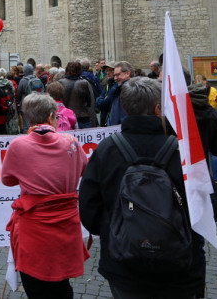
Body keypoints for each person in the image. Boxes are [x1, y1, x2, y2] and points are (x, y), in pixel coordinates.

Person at [79, 77, 206, 298]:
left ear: (126, 107)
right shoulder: (182, 149)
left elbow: (89, 207)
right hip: (177, 262)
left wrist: (114, 229)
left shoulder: (107, 149)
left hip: (124, 262)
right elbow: (211, 205)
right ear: (158, 108)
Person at [2, 92, 88, 298]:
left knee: (35, 286)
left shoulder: (18, 145)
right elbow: (84, 168)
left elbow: (7, 179)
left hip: (34, 226)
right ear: (51, 116)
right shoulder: (71, 142)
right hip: (66, 223)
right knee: (62, 285)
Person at [60, 61, 96, 129]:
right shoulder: (84, 83)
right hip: (81, 118)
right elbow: (90, 103)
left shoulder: (60, 83)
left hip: (65, 117)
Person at [96, 61, 133, 126]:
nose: (108, 73)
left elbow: (106, 103)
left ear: (127, 73)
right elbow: (99, 102)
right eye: (107, 70)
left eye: (110, 70)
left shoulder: (122, 88)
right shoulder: (109, 84)